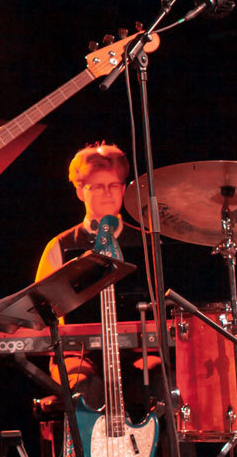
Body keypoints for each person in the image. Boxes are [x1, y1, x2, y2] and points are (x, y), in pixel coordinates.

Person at [33, 143, 158, 412]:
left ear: (124, 189)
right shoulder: (61, 245)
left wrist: (156, 352)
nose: (107, 193)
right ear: (80, 191)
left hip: (138, 351)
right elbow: (42, 311)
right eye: (97, 186)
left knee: (159, 382)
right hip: (80, 353)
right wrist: (65, 353)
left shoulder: (146, 243)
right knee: (86, 387)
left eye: (113, 185)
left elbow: (162, 304)